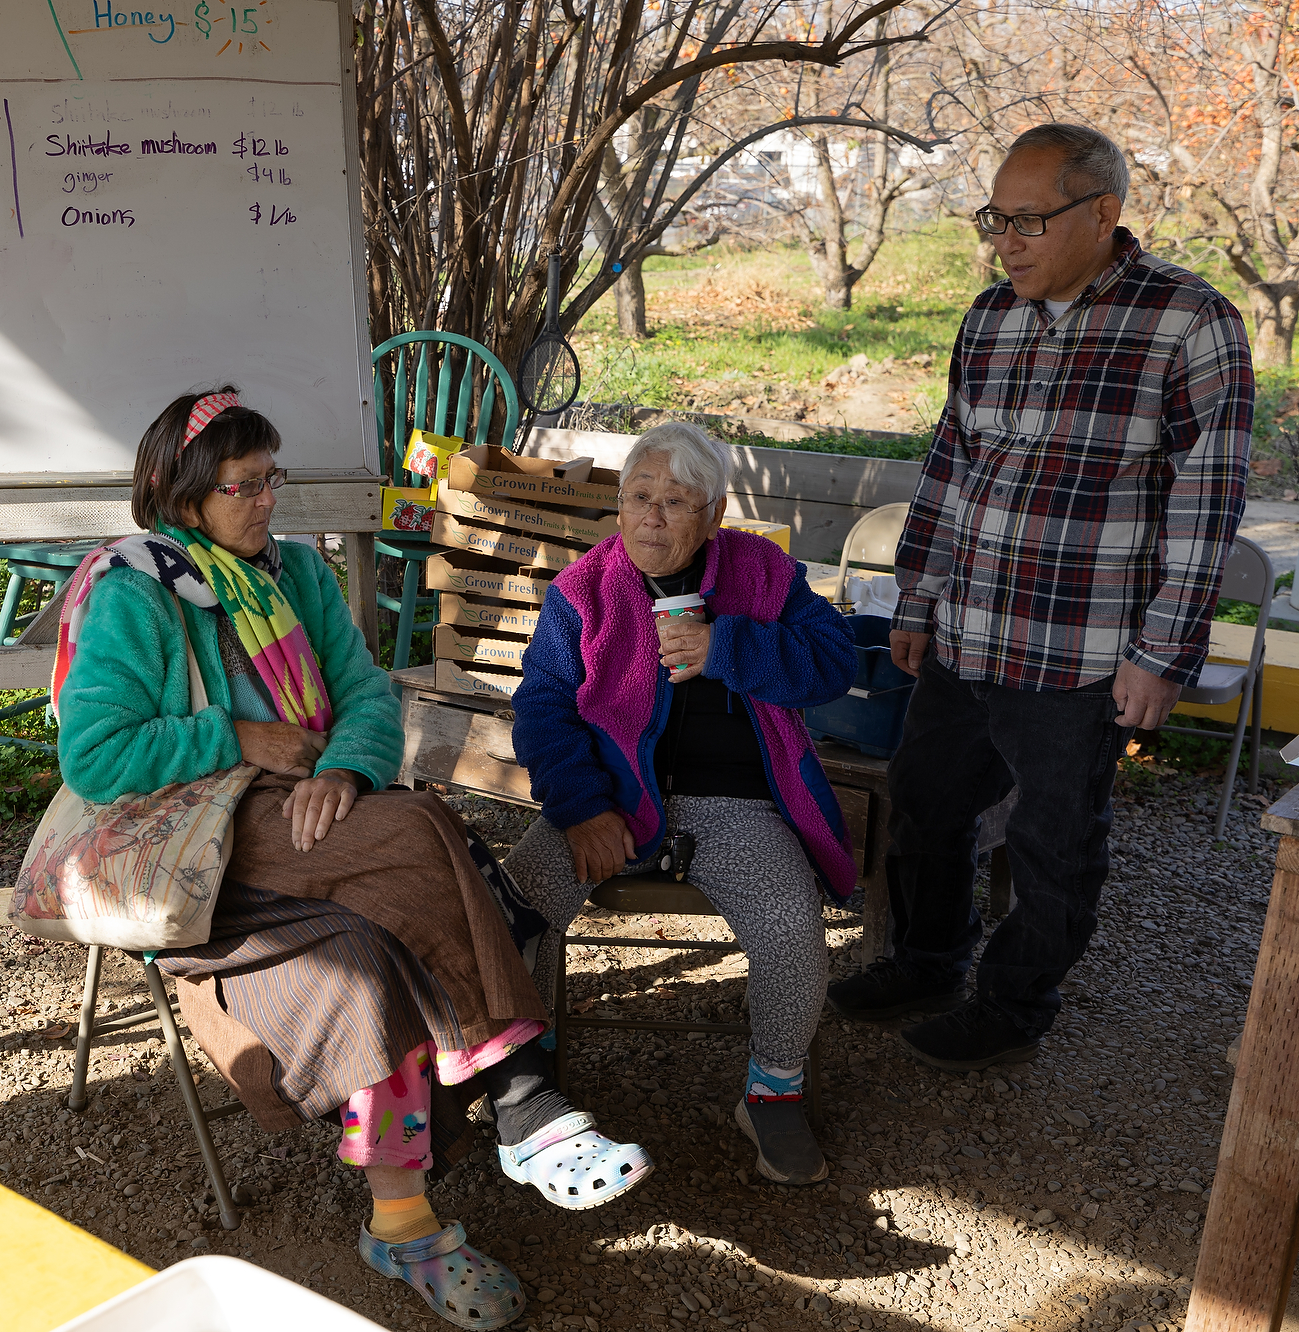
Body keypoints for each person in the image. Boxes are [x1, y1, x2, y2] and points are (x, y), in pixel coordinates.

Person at [51, 387, 654, 1330]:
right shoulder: (138, 590)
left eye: (270, 479)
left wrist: (344, 765)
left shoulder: (296, 574)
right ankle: (521, 1096)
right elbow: (95, 757)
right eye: (241, 486)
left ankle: (401, 1226)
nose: (265, 501)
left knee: (369, 950)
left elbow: (367, 695)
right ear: (184, 498)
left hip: (311, 826)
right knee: (424, 830)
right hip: (204, 847)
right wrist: (239, 739)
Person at [826, 123, 1254, 1071]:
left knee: (1054, 842)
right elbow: (947, 467)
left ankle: (1014, 1007)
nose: (1004, 242)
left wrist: (1162, 655)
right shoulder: (989, 318)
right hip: (965, 637)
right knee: (926, 808)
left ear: (1103, 214)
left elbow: (1206, 504)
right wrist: (917, 600)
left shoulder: (1191, 322)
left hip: (1081, 656)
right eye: (995, 219)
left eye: (1027, 220)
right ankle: (929, 959)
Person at [503, 421, 859, 1186]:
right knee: (513, 906)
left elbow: (836, 662)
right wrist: (581, 807)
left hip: (736, 806)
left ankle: (772, 1089)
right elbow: (541, 709)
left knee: (793, 928)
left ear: (716, 512)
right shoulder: (583, 591)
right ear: (619, 505)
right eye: (639, 497)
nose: (652, 517)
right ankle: (522, 1081)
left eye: (675, 501)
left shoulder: (762, 574)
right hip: (611, 802)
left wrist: (725, 647)